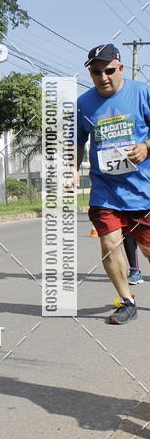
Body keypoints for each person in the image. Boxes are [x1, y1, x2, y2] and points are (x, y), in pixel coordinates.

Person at [77, 44, 150, 323]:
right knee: (109, 245)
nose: (103, 77)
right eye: (96, 72)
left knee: (146, 247)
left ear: (120, 67)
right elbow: (77, 142)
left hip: (142, 190)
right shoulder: (84, 103)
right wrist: (72, 170)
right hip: (105, 191)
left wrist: (146, 147)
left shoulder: (142, 93)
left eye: (109, 70)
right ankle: (126, 301)